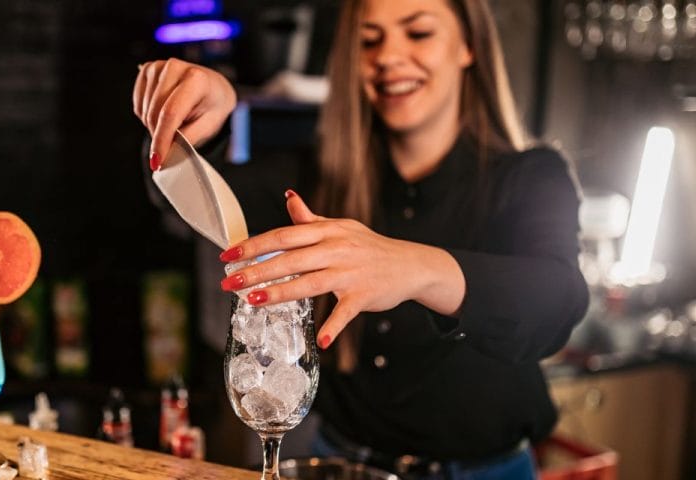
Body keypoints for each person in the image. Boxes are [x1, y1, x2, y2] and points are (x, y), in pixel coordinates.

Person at [133, 0, 589, 478]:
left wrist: (413, 267)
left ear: (468, 46)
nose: (388, 55)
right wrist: (200, 123)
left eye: (418, 33)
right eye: (370, 40)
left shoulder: (532, 176)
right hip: (341, 466)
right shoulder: (313, 175)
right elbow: (192, 201)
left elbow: (555, 303)